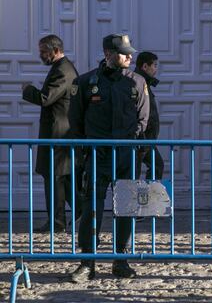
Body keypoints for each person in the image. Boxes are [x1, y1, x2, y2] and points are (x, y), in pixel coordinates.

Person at [69, 33, 150, 282]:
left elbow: (143, 119)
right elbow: (76, 120)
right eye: (124, 52)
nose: (129, 56)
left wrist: (132, 145)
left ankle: (121, 259)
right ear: (108, 54)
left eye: (130, 52)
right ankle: (87, 262)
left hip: (125, 156)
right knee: (91, 208)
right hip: (97, 155)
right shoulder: (86, 82)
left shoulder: (137, 82)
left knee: (125, 209)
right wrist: (87, 147)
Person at [22, 34, 80, 233]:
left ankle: (58, 222)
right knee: (62, 179)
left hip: (58, 135)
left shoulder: (63, 70)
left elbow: (46, 98)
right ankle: (80, 213)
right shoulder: (61, 68)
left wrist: (28, 90)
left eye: (43, 51)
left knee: (55, 179)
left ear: (55, 50)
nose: (40, 55)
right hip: (57, 134)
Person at [134, 51, 164, 180]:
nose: (156, 69)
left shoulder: (145, 82)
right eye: (155, 65)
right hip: (141, 138)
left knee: (156, 166)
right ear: (145, 66)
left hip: (147, 139)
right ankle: (142, 198)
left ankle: (147, 196)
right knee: (135, 170)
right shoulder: (138, 82)